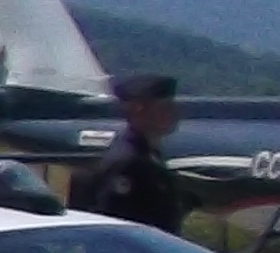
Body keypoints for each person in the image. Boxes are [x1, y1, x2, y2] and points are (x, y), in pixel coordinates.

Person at [69, 73, 190, 232]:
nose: (175, 113)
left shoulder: (148, 155)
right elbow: (116, 221)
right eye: (165, 107)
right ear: (139, 110)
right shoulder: (128, 163)